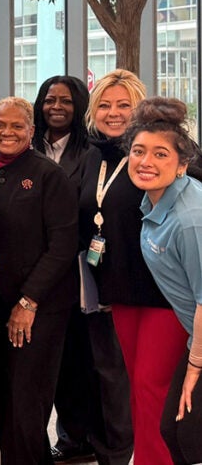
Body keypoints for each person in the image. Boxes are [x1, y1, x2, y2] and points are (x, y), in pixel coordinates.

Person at [0, 97, 77, 465]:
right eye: (0, 125)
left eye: (17, 126)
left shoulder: (48, 175)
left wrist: (29, 301)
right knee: (2, 396)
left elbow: (63, 245)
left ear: (32, 131)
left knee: (26, 403)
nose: (7, 132)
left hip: (38, 308)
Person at [77, 69, 160, 465]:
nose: (114, 113)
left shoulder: (158, 148)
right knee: (108, 378)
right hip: (100, 287)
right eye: (105, 105)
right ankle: (114, 455)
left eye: (124, 105)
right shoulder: (93, 153)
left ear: (140, 108)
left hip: (149, 291)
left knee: (142, 383)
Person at [126, 97, 202, 465]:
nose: (146, 162)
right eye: (139, 151)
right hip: (195, 336)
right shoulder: (156, 203)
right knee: (174, 431)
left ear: (183, 164)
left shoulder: (191, 219)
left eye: (160, 154)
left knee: (185, 436)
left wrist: (196, 364)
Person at [31, 75, 98, 463]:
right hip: (30, 265)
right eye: (49, 99)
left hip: (74, 270)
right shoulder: (28, 144)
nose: (56, 107)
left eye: (66, 101)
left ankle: (76, 437)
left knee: (74, 359)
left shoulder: (90, 152)